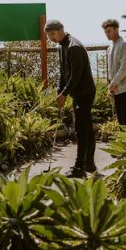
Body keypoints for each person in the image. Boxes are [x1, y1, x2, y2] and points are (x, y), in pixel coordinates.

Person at [45, 19, 97, 178]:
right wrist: (60, 91)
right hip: (77, 91)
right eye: (48, 36)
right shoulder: (61, 46)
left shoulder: (74, 47)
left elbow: (76, 75)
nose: (51, 38)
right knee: (86, 126)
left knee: (81, 129)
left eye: (53, 34)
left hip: (85, 92)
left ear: (61, 30)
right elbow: (63, 72)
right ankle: (89, 163)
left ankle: (79, 168)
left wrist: (65, 93)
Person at [103, 19, 126, 127]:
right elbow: (112, 70)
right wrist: (111, 86)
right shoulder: (110, 48)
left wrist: (113, 84)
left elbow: (125, 68)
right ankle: (124, 143)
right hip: (117, 89)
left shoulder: (125, 45)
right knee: (121, 121)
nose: (107, 34)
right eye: (105, 32)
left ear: (116, 29)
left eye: (109, 31)